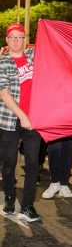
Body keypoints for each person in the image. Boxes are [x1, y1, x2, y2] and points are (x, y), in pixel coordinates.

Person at [0, 23, 42, 222]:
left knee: (33, 164)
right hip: (10, 120)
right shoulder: (2, 62)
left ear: (26, 40)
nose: (17, 41)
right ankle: (9, 197)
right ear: (7, 41)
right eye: (13, 37)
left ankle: (27, 206)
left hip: (34, 119)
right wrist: (22, 115)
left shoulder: (34, 57)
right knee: (9, 162)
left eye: (21, 37)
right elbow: (4, 93)